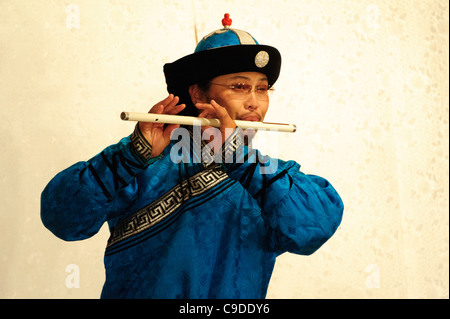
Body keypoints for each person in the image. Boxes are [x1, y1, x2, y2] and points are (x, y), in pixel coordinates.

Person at [41, 14, 344, 299]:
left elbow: (315, 227)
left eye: (263, 89)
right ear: (198, 95)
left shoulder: (266, 177)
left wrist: (240, 160)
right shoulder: (142, 163)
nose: (255, 103)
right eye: (240, 87)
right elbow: (62, 220)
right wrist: (129, 156)